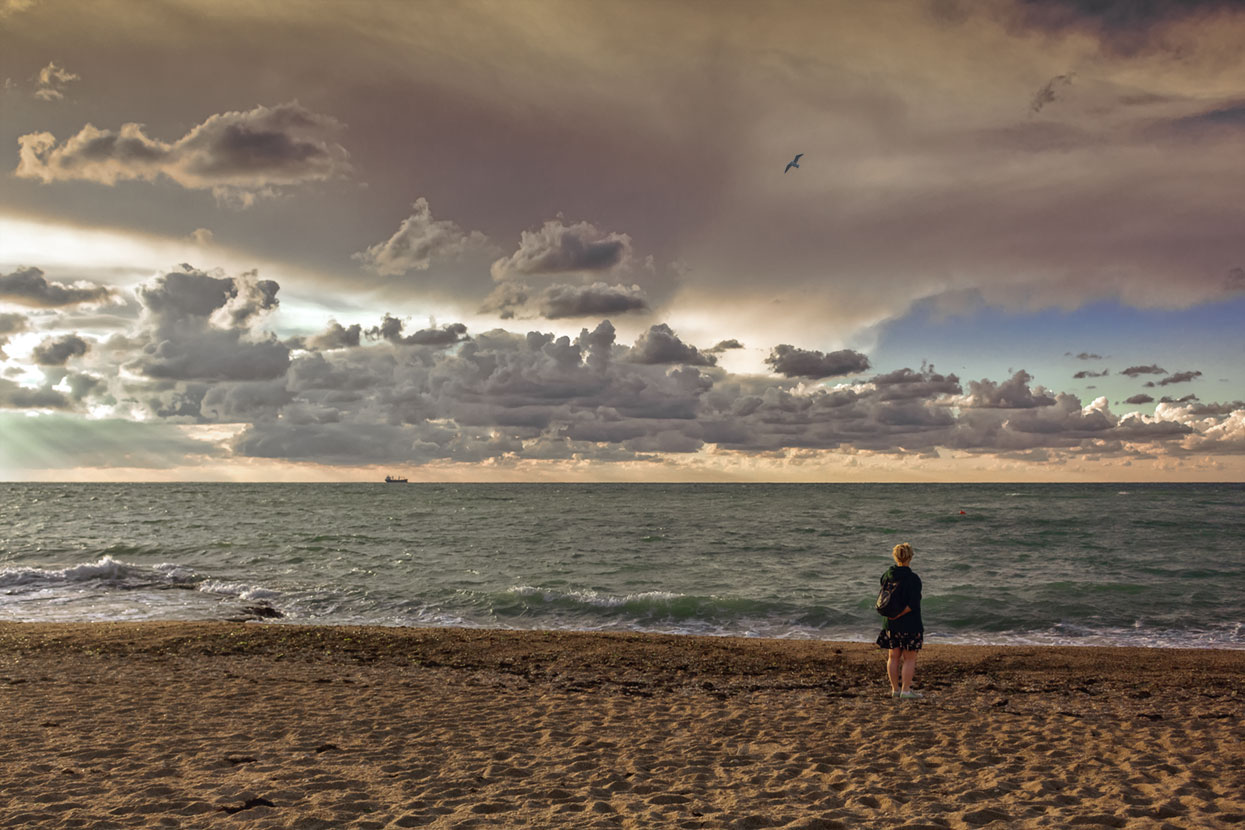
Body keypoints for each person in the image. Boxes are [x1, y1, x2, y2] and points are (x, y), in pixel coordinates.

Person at [876, 542, 923, 699]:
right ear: (910, 557)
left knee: (893, 657)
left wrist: (894, 615)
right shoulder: (913, 579)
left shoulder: (886, 576)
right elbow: (913, 604)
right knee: (909, 658)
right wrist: (900, 614)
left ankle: (895, 690)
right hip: (910, 623)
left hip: (890, 622)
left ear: (895, 557)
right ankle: (906, 691)